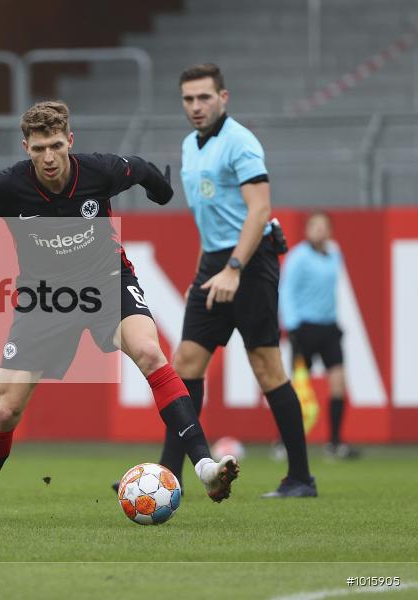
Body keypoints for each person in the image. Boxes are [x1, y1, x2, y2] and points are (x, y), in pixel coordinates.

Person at [0, 101, 239, 523]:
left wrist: (162, 192)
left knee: (152, 354)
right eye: (39, 148)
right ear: (26, 146)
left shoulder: (100, 170)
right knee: (6, 409)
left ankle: (205, 467)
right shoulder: (7, 185)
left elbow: (142, 169)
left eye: (56, 146)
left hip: (106, 283)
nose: (48, 157)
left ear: (70, 142)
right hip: (44, 299)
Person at [160, 63, 316, 498]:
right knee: (184, 365)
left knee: (267, 368)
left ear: (223, 97)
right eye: (188, 99)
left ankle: (300, 478)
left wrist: (234, 268)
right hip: (214, 264)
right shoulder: (191, 146)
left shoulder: (241, 142)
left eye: (204, 97)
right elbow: (210, 220)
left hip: (250, 264)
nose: (196, 106)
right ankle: (167, 478)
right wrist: (202, 273)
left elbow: (259, 211)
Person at [281, 212, 358, 459]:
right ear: (307, 230)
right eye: (314, 226)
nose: (319, 231)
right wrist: (292, 327)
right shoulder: (298, 257)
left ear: (330, 231)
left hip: (328, 328)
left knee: (338, 383)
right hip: (303, 328)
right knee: (297, 389)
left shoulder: (335, 252)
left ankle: (335, 442)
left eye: (323, 227)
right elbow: (286, 291)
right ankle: (285, 441)